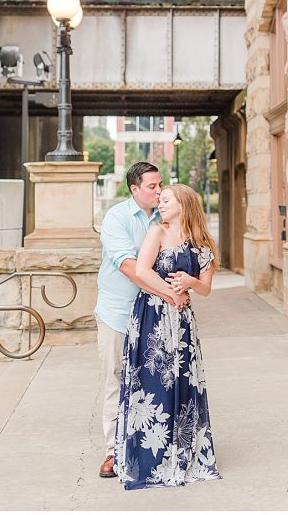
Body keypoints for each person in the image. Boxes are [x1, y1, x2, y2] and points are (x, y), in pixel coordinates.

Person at [114, 183, 222, 489]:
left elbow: (206, 288)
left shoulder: (202, 245)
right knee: (150, 384)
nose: (160, 204)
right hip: (151, 315)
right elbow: (144, 271)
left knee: (183, 384)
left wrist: (190, 282)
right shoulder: (157, 233)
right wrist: (171, 294)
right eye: (159, 200)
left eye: (166, 200)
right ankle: (148, 459)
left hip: (183, 324)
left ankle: (182, 454)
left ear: (183, 204)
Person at [95, 161, 189, 478]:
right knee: (116, 379)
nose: (159, 190)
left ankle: (149, 448)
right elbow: (129, 267)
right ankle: (112, 452)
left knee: (151, 382)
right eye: (152, 186)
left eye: (160, 184)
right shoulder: (116, 218)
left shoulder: (165, 217)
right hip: (118, 313)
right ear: (134, 189)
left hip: (154, 317)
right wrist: (170, 294)